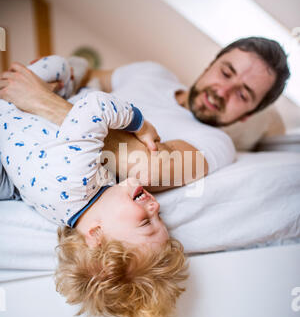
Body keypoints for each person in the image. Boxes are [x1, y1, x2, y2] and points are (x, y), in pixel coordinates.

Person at [0, 55, 189, 317]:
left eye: (146, 222)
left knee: (60, 67)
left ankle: (76, 67)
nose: (156, 208)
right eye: (160, 219)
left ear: (96, 235)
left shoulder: (76, 181)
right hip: (23, 129)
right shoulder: (67, 212)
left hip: (10, 108)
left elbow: (95, 106)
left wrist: (140, 124)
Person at [0, 36, 290, 200]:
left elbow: (146, 168)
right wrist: (53, 79)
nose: (222, 91)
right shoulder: (152, 72)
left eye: (243, 94)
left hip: (30, 158)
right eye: (226, 72)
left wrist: (41, 101)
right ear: (211, 64)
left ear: (247, 115)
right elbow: (85, 73)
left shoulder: (216, 144)